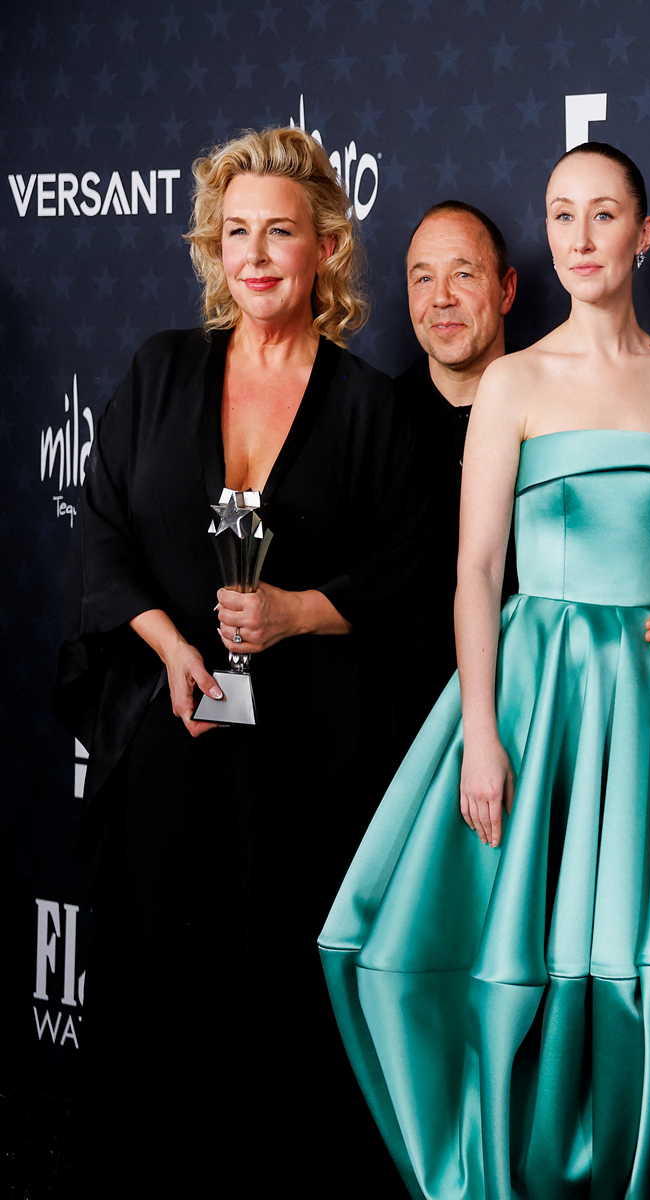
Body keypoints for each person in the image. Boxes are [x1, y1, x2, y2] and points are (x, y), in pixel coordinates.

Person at [319, 143, 650, 1199]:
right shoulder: (512, 380)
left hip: (646, 707)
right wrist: (482, 734)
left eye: (605, 215)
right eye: (563, 215)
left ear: (642, 236)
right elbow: (474, 570)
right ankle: (505, 1173)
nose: (583, 236)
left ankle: (620, 1174)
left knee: (634, 959)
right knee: (514, 951)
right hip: (534, 691)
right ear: (546, 238)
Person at [52, 126, 426, 1197]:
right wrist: (167, 643)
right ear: (216, 248)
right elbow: (103, 531)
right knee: (164, 986)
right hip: (174, 739)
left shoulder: (368, 408)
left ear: (324, 248)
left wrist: (302, 611)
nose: (256, 253)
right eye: (237, 232)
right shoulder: (163, 368)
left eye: (280, 232)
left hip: (305, 767)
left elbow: (408, 576)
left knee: (279, 1000)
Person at [395, 201, 519, 741]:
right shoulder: (373, 423)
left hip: (530, 708)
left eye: (463, 274)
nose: (441, 297)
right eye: (424, 278)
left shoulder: (558, 418)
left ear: (506, 289)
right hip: (398, 727)